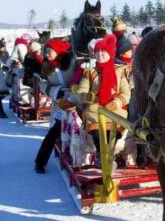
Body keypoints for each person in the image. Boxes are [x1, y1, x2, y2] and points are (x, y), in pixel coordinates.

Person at [74, 34, 131, 167]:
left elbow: (126, 93)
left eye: (103, 51)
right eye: (97, 51)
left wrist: (115, 103)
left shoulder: (119, 71)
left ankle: (109, 156)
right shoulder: (90, 72)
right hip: (95, 109)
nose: (100, 54)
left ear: (110, 53)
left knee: (114, 132)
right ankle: (101, 155)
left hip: (115, 110)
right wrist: (87, 97)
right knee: (97, 132)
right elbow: (80, 92)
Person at [34, 38, 74, 173]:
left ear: (58, 50)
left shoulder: (72, 63)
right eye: (46, 51)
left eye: (50, 51)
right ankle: (40, 162)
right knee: (54, 132)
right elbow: (43, 85)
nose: (47, 54)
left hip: (76, 103)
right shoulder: (46, 66)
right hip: (59, 105)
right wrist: (56, 92)